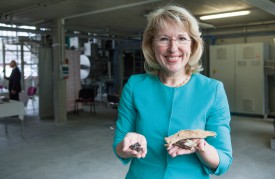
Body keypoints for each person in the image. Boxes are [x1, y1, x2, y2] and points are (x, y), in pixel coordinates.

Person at [113, 5, 232, 179]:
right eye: (163, 39)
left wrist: (201, 147)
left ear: (193, 44)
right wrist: (128, 145)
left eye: (182, 38)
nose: (173, 48)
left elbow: (223, 160)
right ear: (151, 45)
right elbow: (119, 147)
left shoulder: (213, 90)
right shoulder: (134, 86)